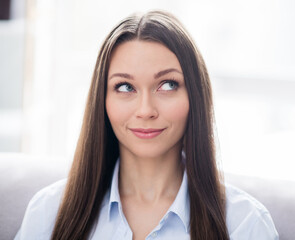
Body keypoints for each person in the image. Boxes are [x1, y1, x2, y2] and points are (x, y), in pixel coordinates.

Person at [15, 10, 279, 240]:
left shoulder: (245, 225)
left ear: (195, 97)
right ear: (102, 100)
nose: (145, 110)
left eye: (167, 85)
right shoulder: (48, 213)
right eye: (125, 87)